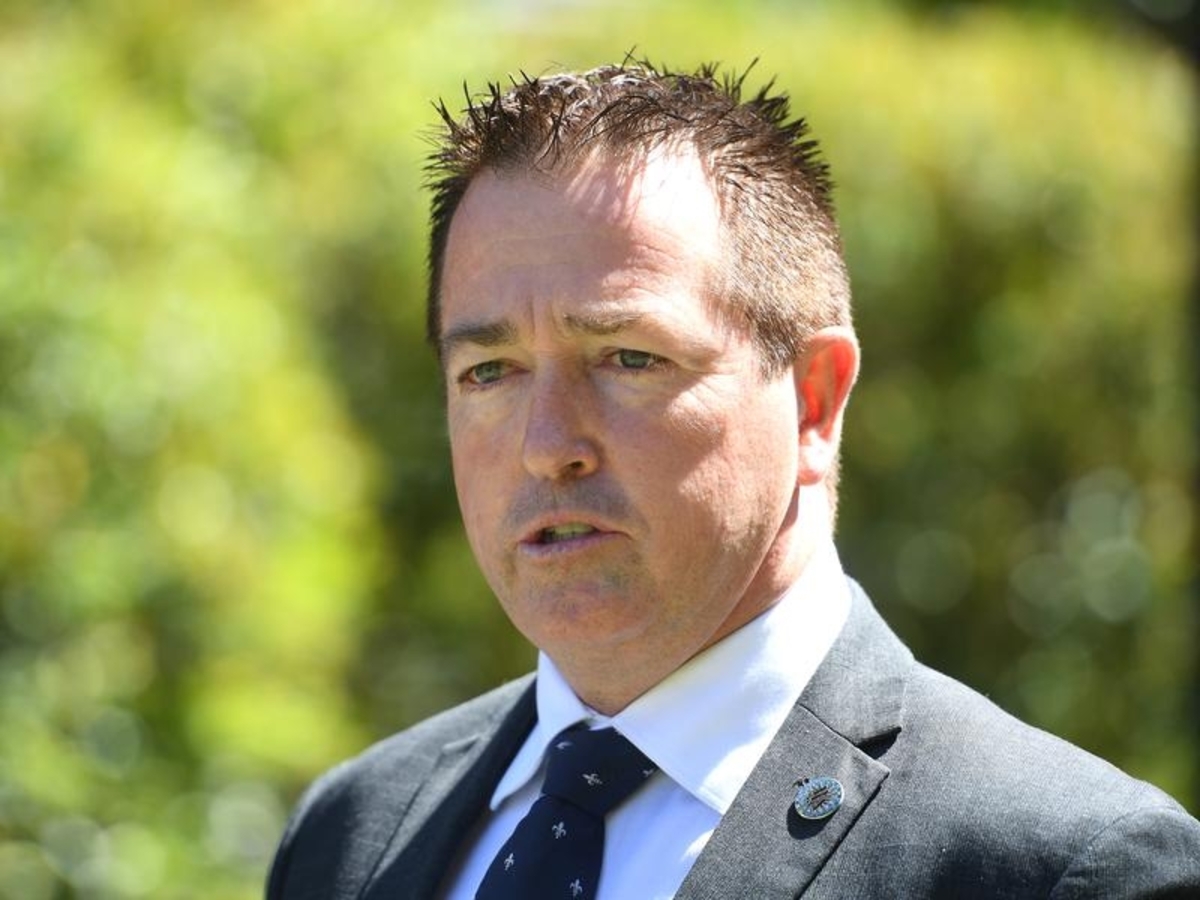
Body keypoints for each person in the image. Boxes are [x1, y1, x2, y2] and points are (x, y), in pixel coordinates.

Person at [266, 61, 1200, 898]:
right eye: (490, 372)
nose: (546, 445)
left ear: (814, 401)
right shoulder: (350, 837)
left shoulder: (1063, 869)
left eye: (629, 358)